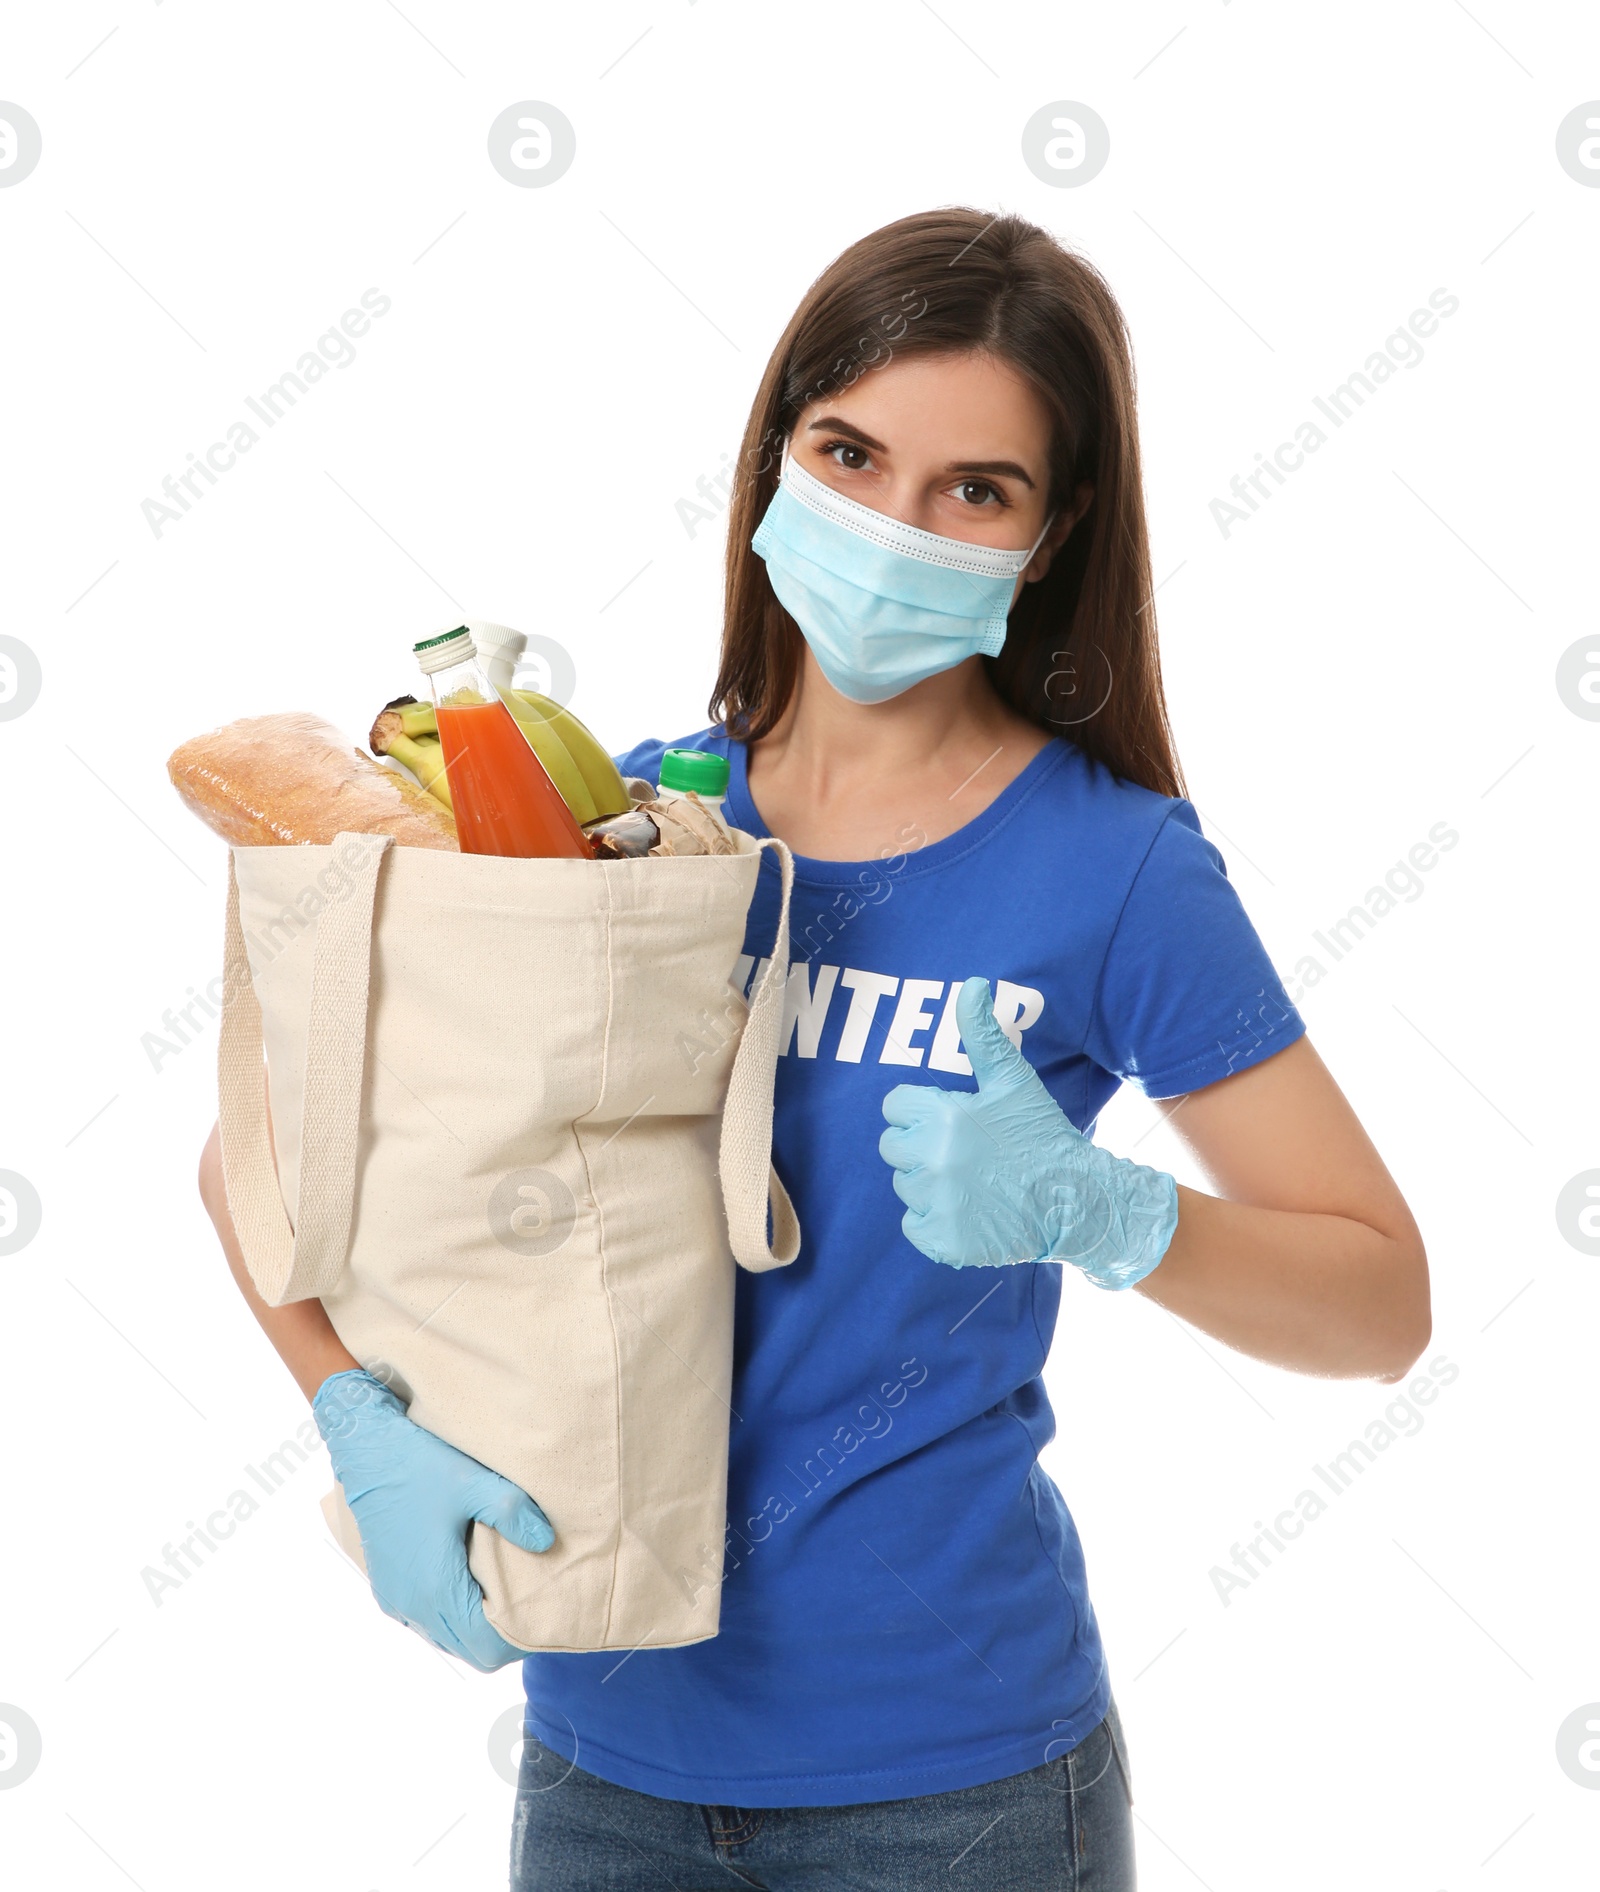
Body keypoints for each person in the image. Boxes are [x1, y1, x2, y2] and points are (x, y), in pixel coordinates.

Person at [200, 208, 1431, 1891]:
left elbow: (1380, 1300)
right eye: (848, 453)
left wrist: (1109, 1211)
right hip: (601, 1760)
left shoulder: (1118, 869)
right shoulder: (611, 843)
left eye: (971, 490)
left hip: (959, 1786)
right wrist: (353, 1414)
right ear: (774, 455)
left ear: (1050, 529)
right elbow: (268, 1152)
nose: (891, 524)